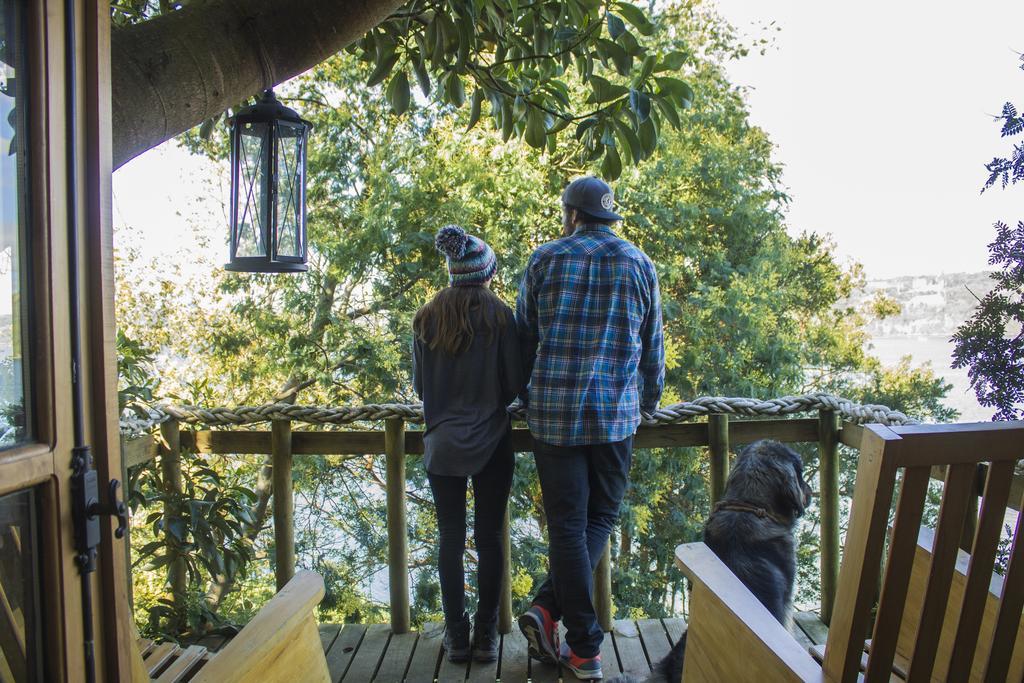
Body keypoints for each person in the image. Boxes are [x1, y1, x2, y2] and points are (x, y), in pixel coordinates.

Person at [515, 177, 665, 680]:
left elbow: (524, 336)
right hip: (614, 418)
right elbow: (653, 347)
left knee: (567, 528)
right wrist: (648, 402)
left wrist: (522, 397)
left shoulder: (544, 259)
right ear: (606, 216)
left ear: (571, 215)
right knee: (599, 517)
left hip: (553, 417)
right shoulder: (639, 263)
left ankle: (553, 616)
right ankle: (584, 648)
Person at [413, 225, 524, 663]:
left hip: (443, 445)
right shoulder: (501, 317)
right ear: (487, 274)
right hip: (493, 441)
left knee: (450, 539)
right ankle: (486, 636)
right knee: (490, 538)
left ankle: (456, 637)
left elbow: (422, 387)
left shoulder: (426, 318)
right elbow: (514, 384)